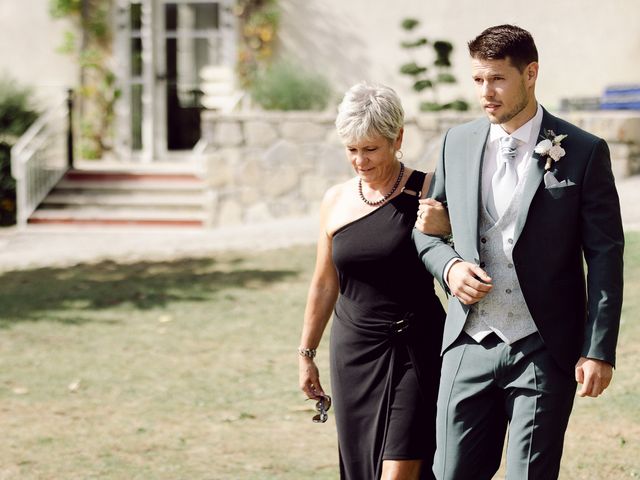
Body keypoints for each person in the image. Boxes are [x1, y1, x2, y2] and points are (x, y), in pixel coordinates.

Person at [413, 24, 624, 479]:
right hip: (467, 342)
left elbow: (605, 257)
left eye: (497, 79)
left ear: (530, 73)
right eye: (477, 80)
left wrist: (598, 350)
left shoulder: (584, 152)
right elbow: (426, 231)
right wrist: (448, 267)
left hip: (542, 347)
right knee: (449, 473)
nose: (485, 92)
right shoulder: (457, 142)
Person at [298, 82, 449, 480]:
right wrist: (306, 354)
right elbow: (324, 284)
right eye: (352, 150)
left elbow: (471, 256)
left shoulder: (430, 190)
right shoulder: (335, 200)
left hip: (416, 350)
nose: (360, 160)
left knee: (400, 471)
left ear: (398, 138)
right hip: (354, 354)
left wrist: (446, 226)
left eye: (371, 149)